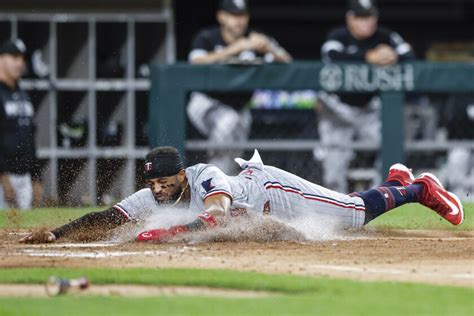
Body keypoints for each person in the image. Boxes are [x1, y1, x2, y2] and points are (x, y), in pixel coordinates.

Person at [20, 146, 464, 244]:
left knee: (350, 214)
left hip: (274, 190)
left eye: (165, 182)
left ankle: (416, 188)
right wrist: (59, 234)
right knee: (348, 211)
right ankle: (395, 180)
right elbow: (109, 216)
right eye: (152, 182)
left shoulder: (206, 176)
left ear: (181, 176)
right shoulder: (152, 195)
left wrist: (168, 235)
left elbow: (215, 216)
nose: (157, 189)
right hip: (264, 205)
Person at [315, 0, 415, 192]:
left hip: (370, 108)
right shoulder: (339, 36)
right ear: (350, 19)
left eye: (369, 17)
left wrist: (393, 56)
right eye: (360, 17)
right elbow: (330, 55)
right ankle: (335, 206)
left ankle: (381, 196)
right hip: (337, 108)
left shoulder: (384, 36)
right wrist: (367, 57)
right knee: (334, 165)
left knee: (392, 147)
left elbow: (408, 53)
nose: (366, 22)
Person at [187, 0, 292, 174]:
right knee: (227, 123)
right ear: (221, 17)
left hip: (240, 106)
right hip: (207, 101)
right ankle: (214, 186)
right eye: (233, 15)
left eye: (242, 15)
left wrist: (268, 48)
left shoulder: (254, 38)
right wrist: (236, 48)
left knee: (236, 154)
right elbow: (195, 61)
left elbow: (287, 60)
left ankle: (226, 189)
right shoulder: (207, 37)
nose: (239, 20)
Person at [0, 39, 42, 210]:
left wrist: (36, 176)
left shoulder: (23, 93)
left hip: (24, 175)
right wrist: (2, 175)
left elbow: (30, 137)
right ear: (1, 58)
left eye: (22, 58)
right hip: (3, 177)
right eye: (14, 57)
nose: (20, 63)